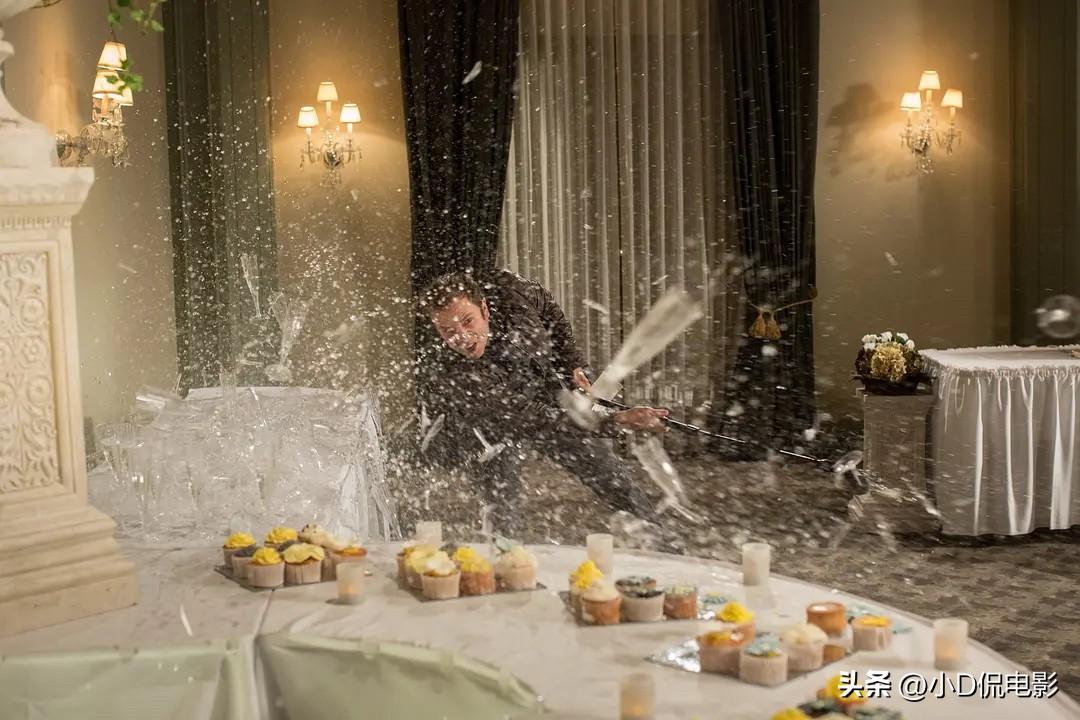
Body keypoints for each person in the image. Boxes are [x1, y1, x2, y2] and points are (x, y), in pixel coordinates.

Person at [417, 269, 668, 536]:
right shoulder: (455, 374)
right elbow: (537, 421)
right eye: (448, 332)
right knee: (500, 506)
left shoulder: (511, 292)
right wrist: (615, 420)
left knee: (611, 477)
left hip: (543, 390)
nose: (463, 337)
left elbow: (549, 308)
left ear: (485, 309)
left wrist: (572, 363)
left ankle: (661, 544)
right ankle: (505, 555)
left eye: (468, 322)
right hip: (492, 428)